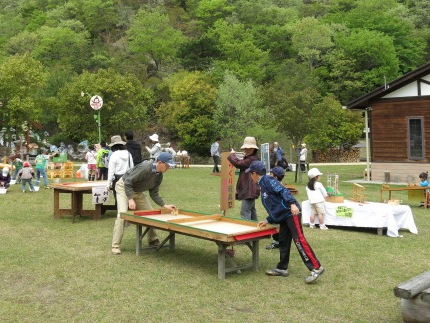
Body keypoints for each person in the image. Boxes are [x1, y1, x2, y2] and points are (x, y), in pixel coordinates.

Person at [247, 160, 325, 284]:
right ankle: (282, 268)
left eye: (250, 174)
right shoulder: (263, 184)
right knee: (283, 241)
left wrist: (292, 204)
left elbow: (283, 191)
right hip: (283, 217)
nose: (250, 176)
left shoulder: (268, 180)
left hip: (291, 213)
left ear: (254, 173)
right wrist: (267, 220)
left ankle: (316, 267)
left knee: (299, 240)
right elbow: (275, 205)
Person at [111, 152, 177, 255]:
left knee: (151, 214)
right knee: (122, 215)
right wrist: (130, 199)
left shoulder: (159, 175)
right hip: (123, 188)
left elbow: (154, 193)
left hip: (137, 192)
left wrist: (164, 205)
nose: (168, 168)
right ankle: (115, 246)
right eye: (167, 165)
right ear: (160, 162)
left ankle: (153, 240)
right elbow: (128, 182)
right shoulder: (146, 167)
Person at [227, 136, 260, 221]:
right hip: (250, 189)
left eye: (250, 148)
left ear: (254, 149)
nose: (247, 150)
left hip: (249, 189)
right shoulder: (251, 158)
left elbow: (238, 163)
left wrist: (232, 155)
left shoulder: (252, 159)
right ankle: (258, 232)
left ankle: (249, 232)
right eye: (246, 148)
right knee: (252, 211)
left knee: (245, 212)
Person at [107, 135, 134, 206]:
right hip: (128, 178)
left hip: (117, 179)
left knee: (119, 200)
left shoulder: (114, 155)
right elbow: (132, 167)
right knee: (128, 198)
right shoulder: (128, 154)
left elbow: (111, 171)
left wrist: (108, 183)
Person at [265, 166, 287, 250]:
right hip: (275, 211)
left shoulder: (277, 187)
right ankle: (278, 242)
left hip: (278, 212)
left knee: (277, 227)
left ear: (275, 177)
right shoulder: (276, 185)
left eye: (271, 174)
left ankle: (277, 243)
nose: (269, 175)